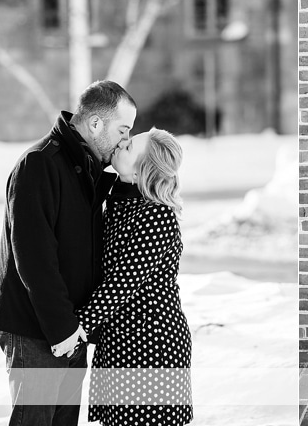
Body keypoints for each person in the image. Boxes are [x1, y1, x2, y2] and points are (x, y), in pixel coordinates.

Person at [0, 80, 137, 426]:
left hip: (68, 327)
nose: (125, 140)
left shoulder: (86, 167)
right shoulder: (40, 164)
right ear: (96, 124)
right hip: (36, 326)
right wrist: (64, 329)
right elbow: (34, 259)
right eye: (123, 129)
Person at [76, 128, 193, 426]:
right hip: (120, 341)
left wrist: (75, 327)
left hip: (150, 347)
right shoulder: (122, 203)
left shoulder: (156, 216)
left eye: (128, 148)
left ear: (142, 173)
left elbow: (120, 284)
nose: (121, 144)